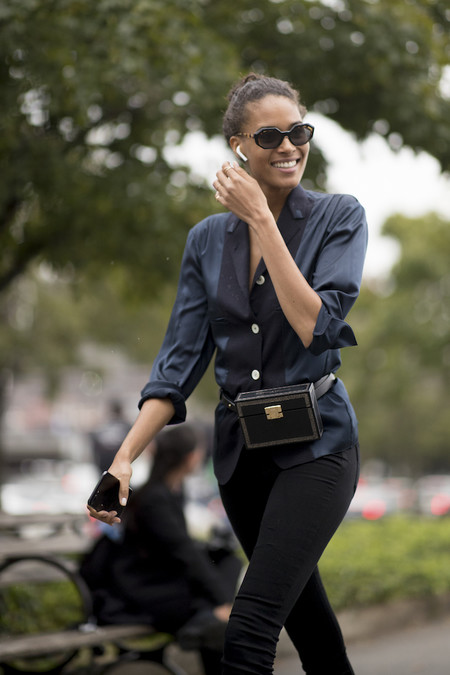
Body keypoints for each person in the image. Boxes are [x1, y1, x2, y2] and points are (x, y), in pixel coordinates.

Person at [87, 72, 368, 674]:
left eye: (299, 131)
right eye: (271, 135)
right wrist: (125, 456)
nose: (289, 145)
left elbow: (316, 327)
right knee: (312, 631)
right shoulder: (206, 240)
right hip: (243, 458)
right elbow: (179, 364)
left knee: (248, 630)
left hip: (319, 449)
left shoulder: (339, 217)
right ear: (239, 145)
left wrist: (263, 221)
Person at [82, 423, 242, 675]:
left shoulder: (172, 491)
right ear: (190, 458)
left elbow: (184, 550)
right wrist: (224, 600)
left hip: (163, 576)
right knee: (218, 622)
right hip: (142, 586)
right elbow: (184, 552)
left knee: (228, 562)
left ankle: (209, 619)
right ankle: (210, 619)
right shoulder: (154, 499)